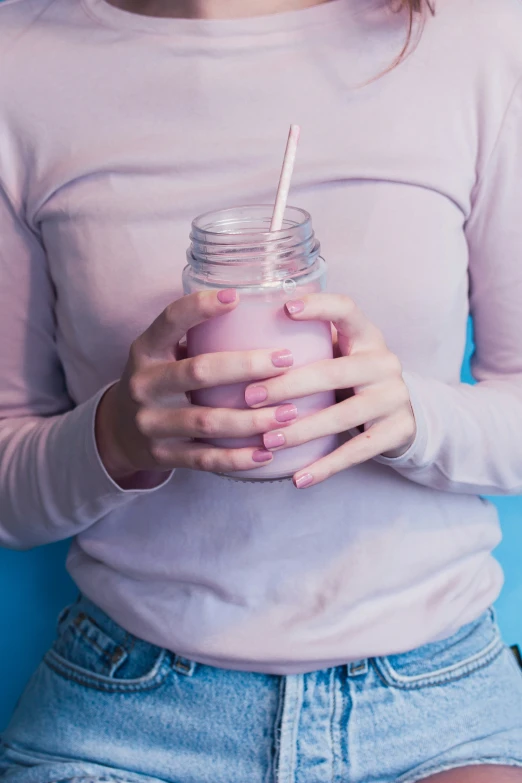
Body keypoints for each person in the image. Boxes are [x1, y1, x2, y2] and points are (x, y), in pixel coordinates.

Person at [1, 0, 522, 780]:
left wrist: (412, 414)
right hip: (130, 702)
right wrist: (116, 435)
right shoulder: (20, 64)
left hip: (435, 700)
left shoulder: (477, 34)